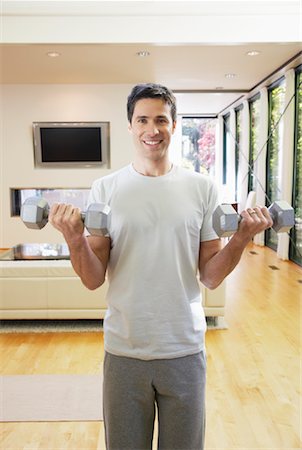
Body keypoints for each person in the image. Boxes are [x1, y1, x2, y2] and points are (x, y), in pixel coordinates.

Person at [49, 83, 273, 450]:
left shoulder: (201, 188)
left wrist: (242, 236)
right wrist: (74, 238)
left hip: (183, 349)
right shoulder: (106, 188)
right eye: (143, 120)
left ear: (174, 124)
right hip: (124, 351)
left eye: (161, 120)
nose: (152, 129)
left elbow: (211, 276)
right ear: (130, 126)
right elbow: (92, 279)